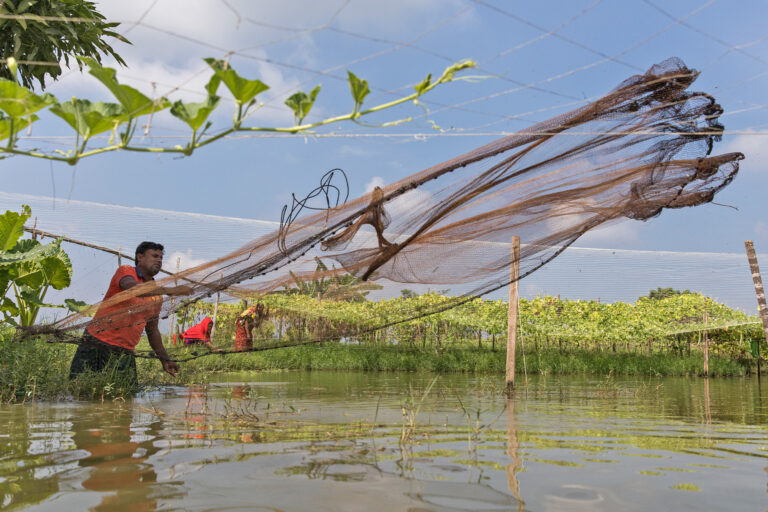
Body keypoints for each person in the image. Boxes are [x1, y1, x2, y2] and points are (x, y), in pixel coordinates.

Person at [69, 241, 192, 383]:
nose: (159, 260)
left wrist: (165, 360)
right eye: (154, 256)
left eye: (161, 258)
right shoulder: (126, 271)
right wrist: (170, 290)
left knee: (124, 396)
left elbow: (152, 331)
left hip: (124, 351)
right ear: (140, 257)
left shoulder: (157, 295)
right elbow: (132, 288)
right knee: (80, 387)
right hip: (95, 343)